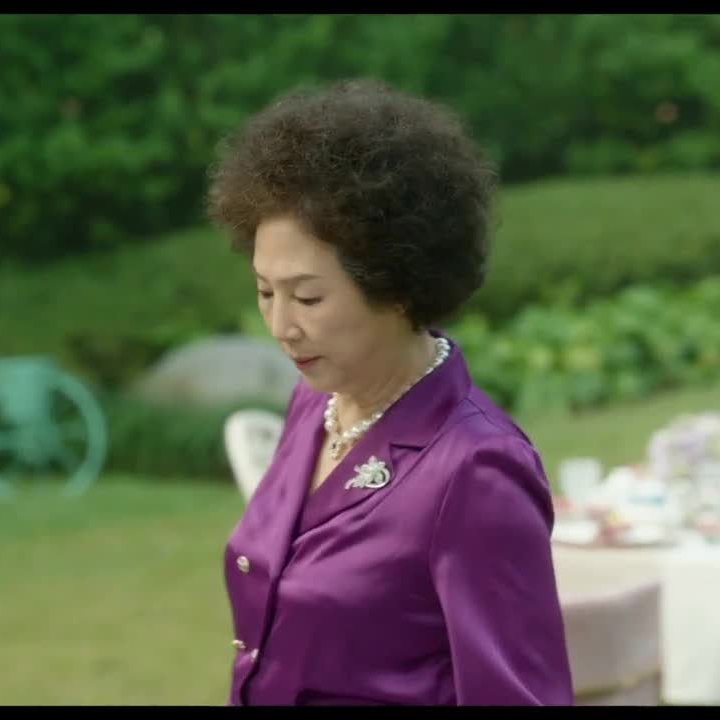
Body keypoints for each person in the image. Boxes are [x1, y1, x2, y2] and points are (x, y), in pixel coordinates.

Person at [205, 78, 574, 706]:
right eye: (265, 291)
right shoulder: (315, 402)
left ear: (398, 286)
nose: (280, 325)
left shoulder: (476, 469)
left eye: (308, 297)